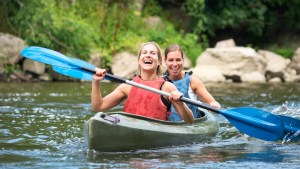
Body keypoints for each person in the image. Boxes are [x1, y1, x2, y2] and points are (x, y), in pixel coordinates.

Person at [91, 42, 194, 124]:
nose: (148, 55)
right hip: (130, 132)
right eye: (144, 53)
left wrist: (180, 103)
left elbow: (190, 121)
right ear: (139, 60)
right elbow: (98, 107)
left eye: (152, 53)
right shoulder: (127, 87)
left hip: (156, 142)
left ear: (159, 61)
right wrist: (96, 81)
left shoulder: (167, 87)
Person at [163, 44, 221, 121]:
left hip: (191, 126)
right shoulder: (161, 82)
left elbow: (213, 103)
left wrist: (214, 105)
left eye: (178, 60)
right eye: (171, 60)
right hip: (169, 126)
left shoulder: (193, 81)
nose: (175, 64)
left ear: (183, 60)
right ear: (165, 61)